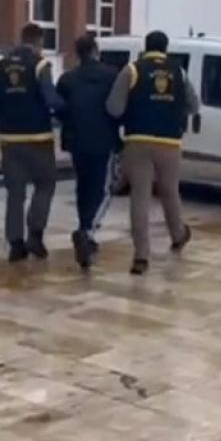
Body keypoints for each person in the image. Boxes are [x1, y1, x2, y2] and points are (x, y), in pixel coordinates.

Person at [106, 30, 199, 275]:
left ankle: (141, 256)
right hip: (170, 142)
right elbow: (194, 105)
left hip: (138, 141)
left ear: (145, 47)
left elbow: (114, 108)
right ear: (166, 48)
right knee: (170, 191)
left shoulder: (132, 70)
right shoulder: (179, 72)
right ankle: (178, 234)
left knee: (140, 196)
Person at [0, 23, 65, 262]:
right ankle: (35, 235)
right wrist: (68, 109)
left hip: (10, 140)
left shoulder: (2, 66)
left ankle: (15, 244)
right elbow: (51, 100)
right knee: (45, 185)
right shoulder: (40, 65)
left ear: (22, 39)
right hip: (38, 138)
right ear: (39, 42)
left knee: (15, 193)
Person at [56, 34, 121, 270]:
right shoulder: (112, 76)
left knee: (83, 186)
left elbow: (60, 109)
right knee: (103, 189)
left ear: (78, 54)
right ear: (95, 51)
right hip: (103, 140)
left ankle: (85, 228)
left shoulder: (67, 79)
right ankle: (87, 231)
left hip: (77, 141)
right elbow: (118, 107)